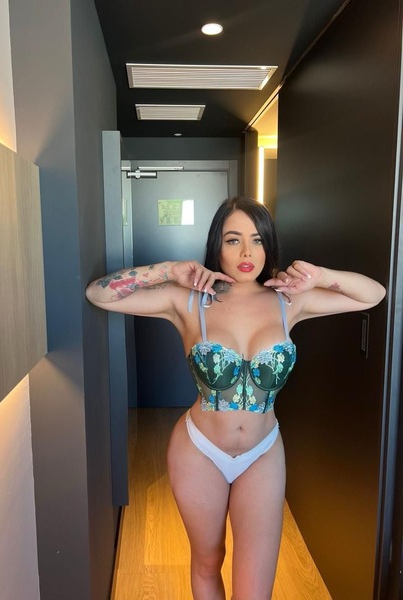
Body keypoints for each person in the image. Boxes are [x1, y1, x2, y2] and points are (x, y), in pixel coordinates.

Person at [86, 197, 386, 600]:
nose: (247, 252)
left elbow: (374, 294)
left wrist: (319, 276)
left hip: (262, 452)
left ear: (269, 245)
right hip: (199, 451)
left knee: (254, 591)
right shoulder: (188, 300)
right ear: (217, 245)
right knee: (208, 562)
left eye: (257, 240)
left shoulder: (289, 300)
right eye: (233, 240)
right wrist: (169, 270)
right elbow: (99, 294)